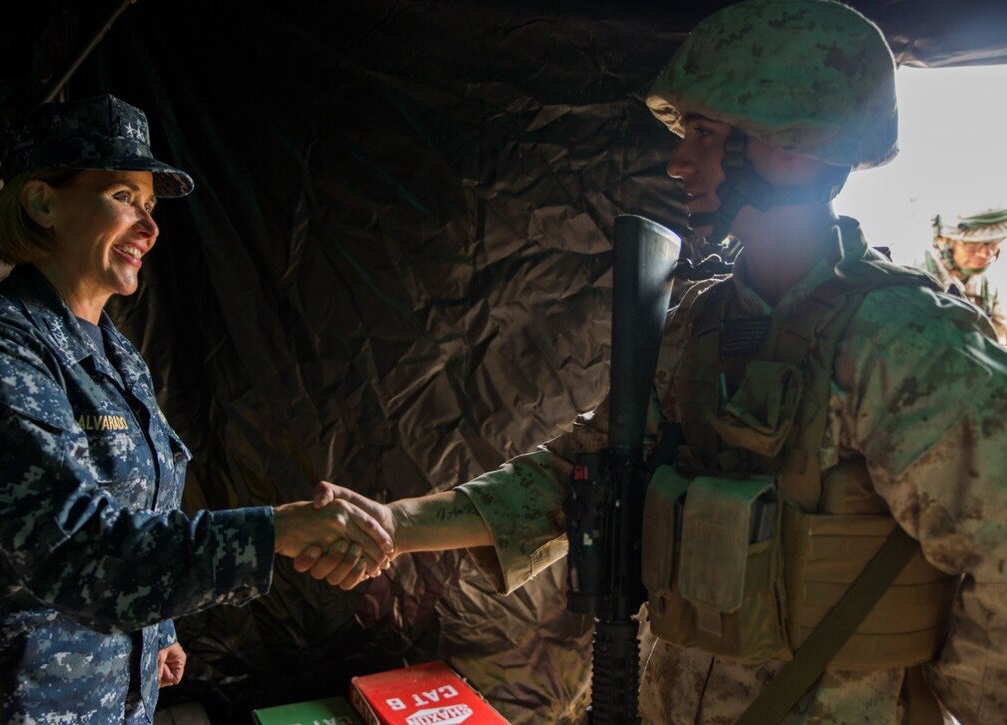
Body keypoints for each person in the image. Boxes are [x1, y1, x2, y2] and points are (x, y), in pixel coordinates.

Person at [295, 1, 1007, 722]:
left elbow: (1002, 558)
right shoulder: (702, 323)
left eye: (703, 134)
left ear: (790, 144)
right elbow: (581, 469)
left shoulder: (905, 340)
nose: (677, 162)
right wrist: (395, 523)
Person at [0, 94, 393, 724]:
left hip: (108, 700)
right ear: (42, 202)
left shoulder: (111, 350)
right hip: (15, 703)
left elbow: (142, 506)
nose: (150, 227)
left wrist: (157, 629)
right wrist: (275, 530)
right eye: (123, 196)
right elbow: (78, 549)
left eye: (149, 206)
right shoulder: (1, 354)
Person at [923, 208, 1007, 343]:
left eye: (994, 242)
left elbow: (1000, 331)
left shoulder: (987, 283)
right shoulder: (916, 278)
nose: (986, 253)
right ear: (942, 240)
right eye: (973, 244)